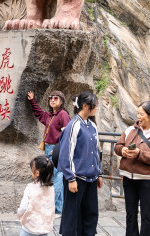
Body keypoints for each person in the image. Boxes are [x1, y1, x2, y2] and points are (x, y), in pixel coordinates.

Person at [114, 100, 150, 236]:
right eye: (137, 113)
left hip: (147, 180)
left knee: (146, 215)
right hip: (128, 178)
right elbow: (117, 146)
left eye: (141, 114)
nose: (138, 117)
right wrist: (123, 150)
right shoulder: (130, 130)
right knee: (130, 214)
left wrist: (139, 154)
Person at [58, 91, 102, 236]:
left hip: (91, 178)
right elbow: (66, 154)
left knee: (91, 214)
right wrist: (70, 178)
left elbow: (96, 152)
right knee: (71, 215)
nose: (96, 108)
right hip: (76, 179)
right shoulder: (74, 125)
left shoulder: (92, 126)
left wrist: (99, 173)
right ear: (85, 106)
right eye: (94, 106)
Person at [26, 89, 70, 214]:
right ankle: (58, 210)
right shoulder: (50, 116)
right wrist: (32, 100)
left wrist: (58, 149)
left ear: (61, 101)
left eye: (56, 98)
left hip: (56, 149)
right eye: (51, 98)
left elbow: (67, 135)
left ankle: (51, 208)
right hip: (48, 148)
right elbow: (39, 113)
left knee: (56, 177)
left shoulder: (63, 115)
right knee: (56, 177)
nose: (52, 100)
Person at [18, 155, 55, 236]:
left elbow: (23, 207)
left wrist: (19, 214)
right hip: (44, 229)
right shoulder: (51, 188)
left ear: (37, 173)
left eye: (32, 171)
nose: (31, 172)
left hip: (29, 229)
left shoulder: (30, 187)